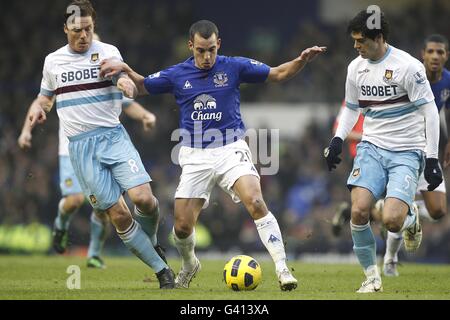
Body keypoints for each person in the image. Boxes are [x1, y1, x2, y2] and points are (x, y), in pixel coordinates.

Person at [100, 19, 326, 291]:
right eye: (200, 51)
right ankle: (189, 263)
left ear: (218, 44)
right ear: (190, 46)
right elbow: (143, 86)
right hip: (194, 155)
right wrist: (125, 71)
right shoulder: (177, 74)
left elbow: (278, 73)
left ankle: (282, 269)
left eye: (211, 50)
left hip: (230, 148)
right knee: (182, 228)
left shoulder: (234, 66)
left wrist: (301, 60)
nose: (207, 57)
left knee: (255, 200)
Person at [27, 0, 175, 289]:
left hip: (113, 137)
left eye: (88, 29)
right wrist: (40, 108)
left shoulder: (107, 52)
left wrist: (126, 84)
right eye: (77, 30)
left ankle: (153, 243)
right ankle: (162, 272)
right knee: (118, 214)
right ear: (65, 28)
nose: (83, 36)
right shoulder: (53, 61)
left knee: (144, 198)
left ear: (94, 27)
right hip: (81, 149)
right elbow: (45, 97)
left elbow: (123, 81)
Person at [324, 10, 442, 293]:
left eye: (361, 41)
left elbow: (430, 113)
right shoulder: (356, 68)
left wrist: (432, 157)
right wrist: (338, 139)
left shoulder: (409, 67)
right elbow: (352, 108)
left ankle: (410, 216)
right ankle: (371, 277)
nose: (356, 46)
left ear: (378, 38)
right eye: (354, 41)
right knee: (359, 211)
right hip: (371, 147)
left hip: (406, 151)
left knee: (391, 221)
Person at [18, 93, 158, 269]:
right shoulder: (64, 75)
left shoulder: (99, 77)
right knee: (74, 200)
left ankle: (94, 254)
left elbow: (126, 103)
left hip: (103, 148)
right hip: (71, 150)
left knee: (105, 207)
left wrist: (146, 115)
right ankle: (61, 224)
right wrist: (25, 131)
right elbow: (40, 100)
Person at [380, 34, 450, 277]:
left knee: (439, 211)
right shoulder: (412, 75)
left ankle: (410, 210)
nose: (435, 56)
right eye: (431, 51)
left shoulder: (448, 81)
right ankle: (390, 258)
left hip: (428, 152)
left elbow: (446, 111)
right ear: (423, 54)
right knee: (395, 211)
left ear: (446, 56)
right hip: (405, 151)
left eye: (440, 52)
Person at [330, 100, 364, 236]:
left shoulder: (386, 93)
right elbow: (338, 130)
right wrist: (367, 137)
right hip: (360, 158)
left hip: (386, 157)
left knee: (382, 206)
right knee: (366, 207)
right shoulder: (352, 98)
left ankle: (346, 212)